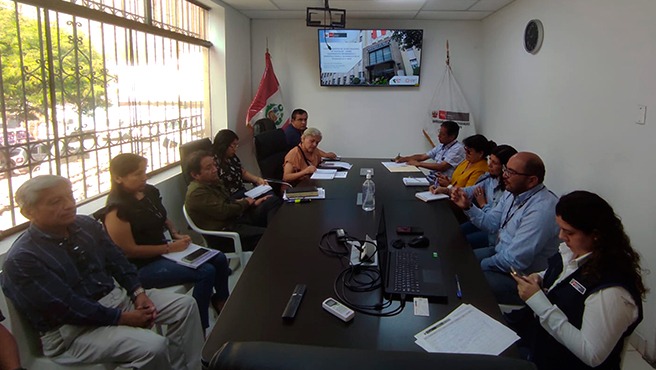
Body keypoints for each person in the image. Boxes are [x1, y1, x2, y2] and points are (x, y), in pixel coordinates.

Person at [1, 175, 203, 369]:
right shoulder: (23, 258)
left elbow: (118, 261)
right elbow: (67, 307)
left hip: (115, 301)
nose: (69, 205)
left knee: (184, 306)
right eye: (55, 202)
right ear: (29, 212)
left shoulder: (85, 225)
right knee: (153, 347)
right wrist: (122, 318)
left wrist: (138, 292)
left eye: (70, 196)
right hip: (73, 332)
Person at [512, 191, 645, 370]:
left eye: (569, 232)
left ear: (595, 234)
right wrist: (540, 277)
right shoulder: (575, 253)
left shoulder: (612, 292)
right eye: (560, 228)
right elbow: (563, 275)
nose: (561, 236)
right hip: (538, 345)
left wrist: (538, 302)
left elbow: (591, 354)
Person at [103, 153, 230, 330]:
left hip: (165, 252)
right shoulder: (117, 209)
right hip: (142, 266)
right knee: (206, 271)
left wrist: (175, 233)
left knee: (219, 258)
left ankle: (221, 301)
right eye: (137, 174)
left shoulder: (148, 192)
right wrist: (169, 248)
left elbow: (161, 217)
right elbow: (128, 251)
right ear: (118, 178)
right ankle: (198, 325)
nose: (144, 177)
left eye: (144, 172)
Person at [450, 152, 560, 305]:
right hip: (500, 254)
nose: (504, 175)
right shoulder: (512, 192)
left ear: (532, 180)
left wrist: (482, 265)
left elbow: (515, 261)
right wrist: (468, 206)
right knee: (458, 260)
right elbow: (491, 224)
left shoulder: (542, 210)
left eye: (511, 172)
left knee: (469, 279)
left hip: (521, 278)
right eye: (505, 169)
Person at [185, 150, 271, 251]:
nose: (215, 169)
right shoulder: (197, 193)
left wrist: (250, 203)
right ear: (195, 175)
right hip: (225, 235)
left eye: (214, 165)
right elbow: (224, 211)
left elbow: (227, 202)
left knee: (269, 205)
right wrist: (246, 203)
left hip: (233, 222)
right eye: (209, 168)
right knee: (269, 236)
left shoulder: (211, 182)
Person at [458, 144, 518, 249]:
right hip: (483, 220)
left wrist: (483, 204)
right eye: (490, 159)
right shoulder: (490, 178)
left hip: (494, 233)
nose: (489, 165)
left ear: (505, 167)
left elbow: (494, 223)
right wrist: (448, 190)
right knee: (456, 232)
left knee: (462, 243)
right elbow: (470, 190)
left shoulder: (509, 191)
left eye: (494, 163)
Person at [212, 129, 282, 214]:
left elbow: (242, 172)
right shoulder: (214, 164)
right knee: (271, 202)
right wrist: (243, 201)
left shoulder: (231, 157)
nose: (235, 148)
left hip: (244, 192)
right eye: (233, 145)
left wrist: (257, 179)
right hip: (233, 199)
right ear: (224, 145)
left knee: (270, 194)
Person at [395, 120, 465, 179]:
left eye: (442, 134)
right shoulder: (442, 145)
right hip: (432, 177)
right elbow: (423, 156)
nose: (438, 136)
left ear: (452, 136)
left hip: (443, 182)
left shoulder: (458, 148)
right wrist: (405, 158)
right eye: (439, 132)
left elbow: (442, 166)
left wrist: (418, 164)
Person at [429, 134, 495, 194]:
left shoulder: (481, 170)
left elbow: (467, 193)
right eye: (465, 149)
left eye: (469, 151)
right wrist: (446, 180)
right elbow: (457, 181)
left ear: (480, 153)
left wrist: (447, 186)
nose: (465, 153)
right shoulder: (467, 161)